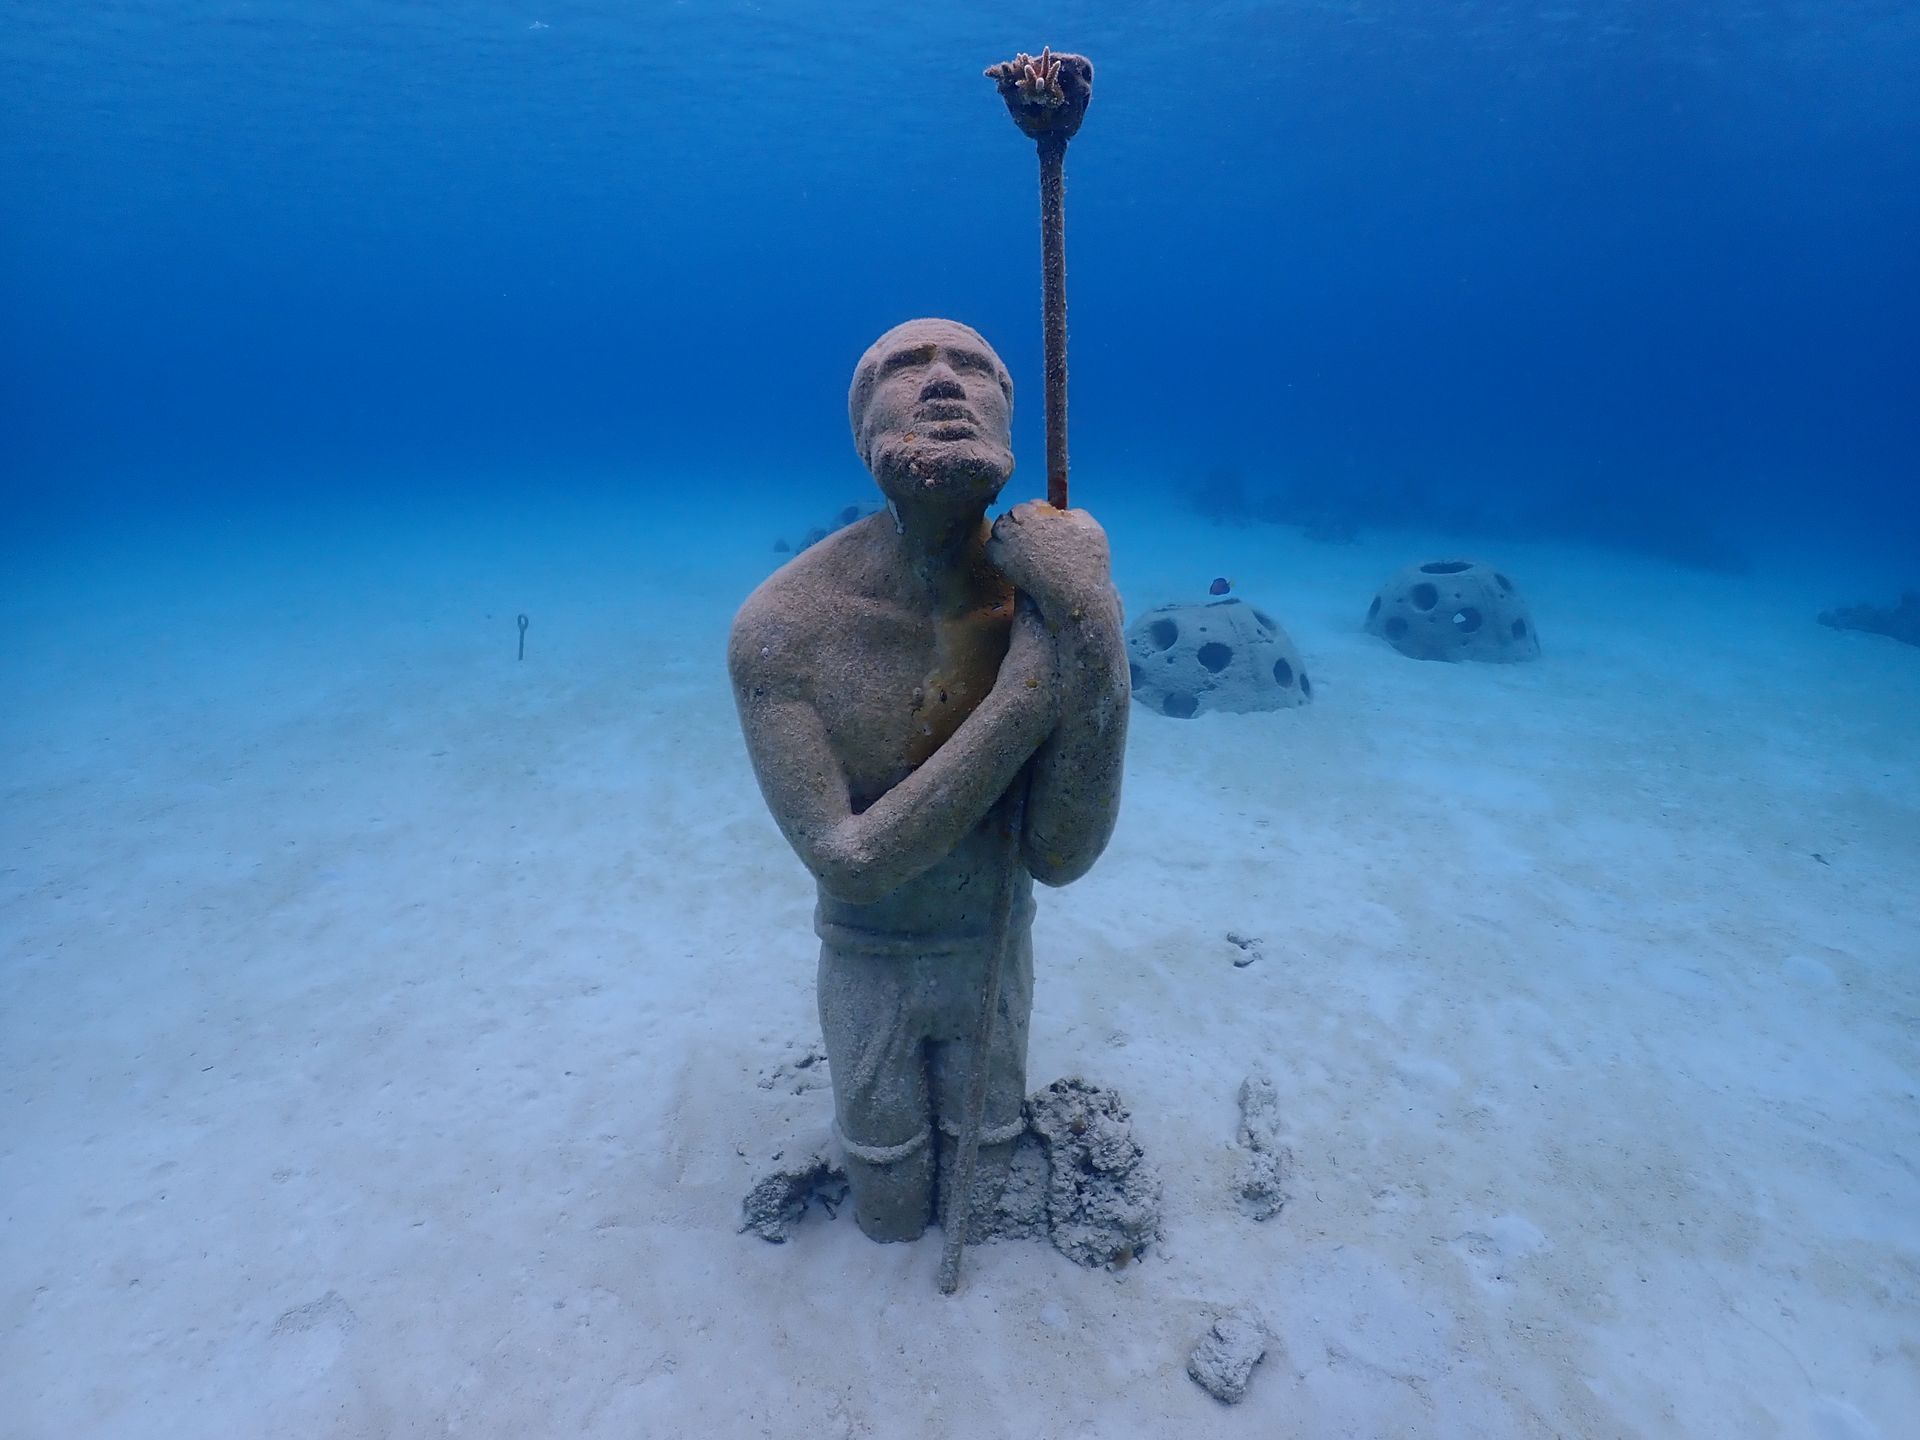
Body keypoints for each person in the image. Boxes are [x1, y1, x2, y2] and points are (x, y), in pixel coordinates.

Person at [728, 317, 1128, 1242]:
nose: (944, 383)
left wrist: (1092, 623)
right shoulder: (786, 628)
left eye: (975, 367)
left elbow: (1062, 857)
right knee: (891, 1204)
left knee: (986, 1188)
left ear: (1011, 423)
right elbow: (850, 862)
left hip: (995, 946)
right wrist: (1030, 694)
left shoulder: (1044, 596)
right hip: (870, 959)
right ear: (860, 426)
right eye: (904, 369)